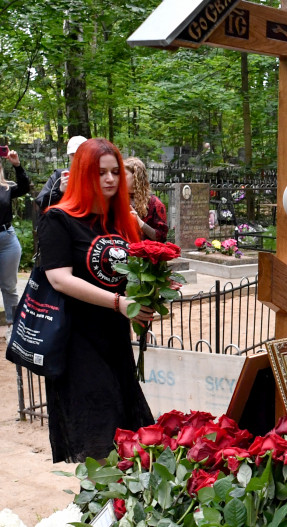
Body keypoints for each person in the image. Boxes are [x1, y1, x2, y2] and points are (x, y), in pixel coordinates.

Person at [38, 138, 155, 463]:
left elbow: (128, 273)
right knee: (100, 438)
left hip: (115, 342)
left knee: (125, 436)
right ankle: (101, 508)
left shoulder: (117, 220)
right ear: (82, 175)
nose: (109, 179)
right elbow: (60, 278)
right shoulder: (58, 219)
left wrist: (143, 301)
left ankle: (113, 510)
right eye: (100, 172)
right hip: (77, 345)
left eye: (115, 171)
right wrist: (119, 303)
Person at [0, 148, 30, 331]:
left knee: (9, 286)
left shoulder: (6, 187)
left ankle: (13, 327)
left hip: (7, 241)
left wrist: (17, 165)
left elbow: (25, 188)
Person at [35, 135, 87, 212]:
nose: (77, 157)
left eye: (81, 153)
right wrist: (59, 191)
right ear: (69, 156)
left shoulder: (97, 175)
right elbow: (41, 201)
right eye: (73, 154)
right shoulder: (60, 176)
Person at [124, 157, 168, 242]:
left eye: (124, 175)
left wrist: (140, 223)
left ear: (135, 177)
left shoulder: (155, 204)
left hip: (144, 254)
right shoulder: (115, 200)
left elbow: (161, 237)